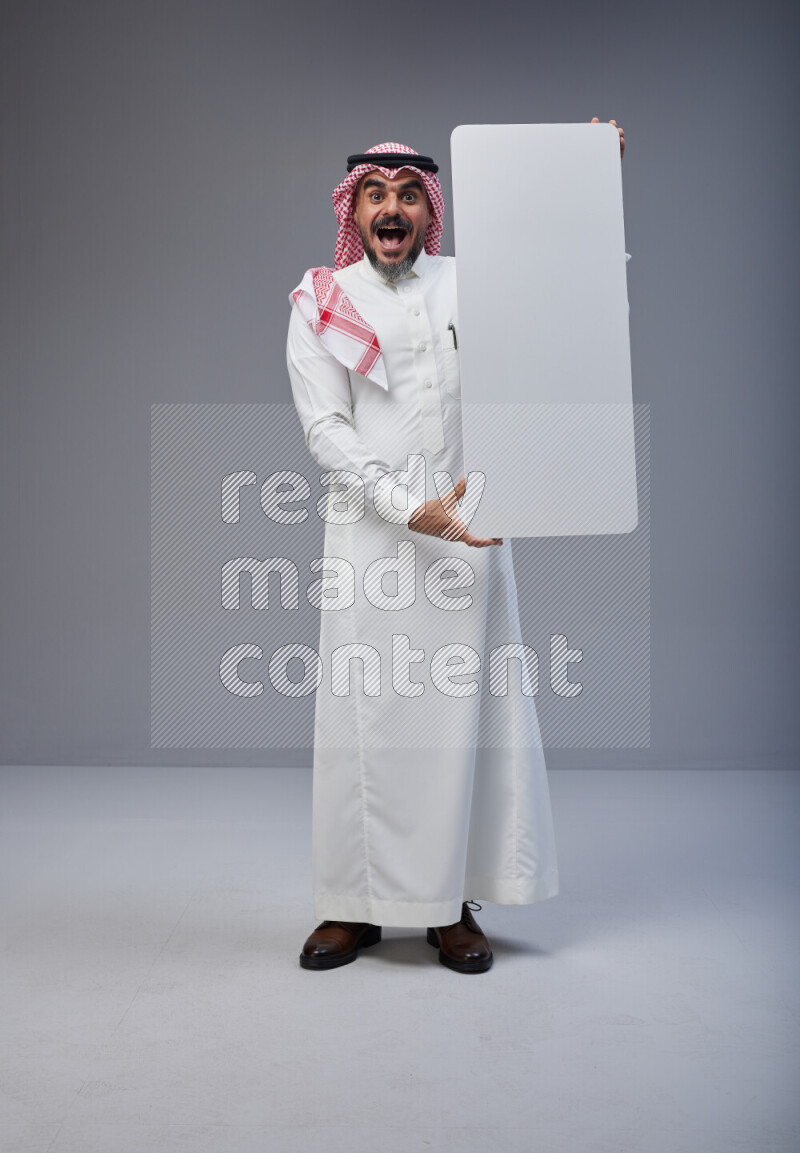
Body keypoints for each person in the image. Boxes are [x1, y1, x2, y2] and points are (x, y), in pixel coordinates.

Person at [287, 121, 626, 974]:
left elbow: (563, 310)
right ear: (354, 208)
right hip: (372, 540)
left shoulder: (473, 286)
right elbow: (328, 432)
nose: (391, 209)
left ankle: (451, 906)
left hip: (469, 535)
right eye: (375, 194)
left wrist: (581, 180)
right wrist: (410, 509)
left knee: (463, 729)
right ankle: (351, 904)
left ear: (428, 210)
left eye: (407, 195)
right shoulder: (321, 300)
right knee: (368, 727)